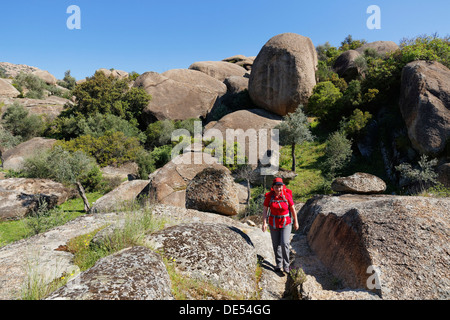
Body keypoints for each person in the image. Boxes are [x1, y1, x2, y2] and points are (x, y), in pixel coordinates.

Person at [262, 177, 299, 274]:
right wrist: (264, 223)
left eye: (280, 187)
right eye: (276, 187)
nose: (278, 189)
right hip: (273, 222)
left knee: (285, 243)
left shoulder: (286, 196)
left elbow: (292, 209)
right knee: (276, 244)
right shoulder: (269, 197)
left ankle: (286, 266)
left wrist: (296, 222)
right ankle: (279, 264)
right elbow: (265, 210)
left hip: (286, 222)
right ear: (273, 187)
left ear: (282, 187)